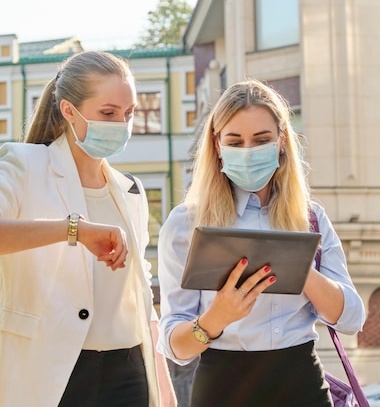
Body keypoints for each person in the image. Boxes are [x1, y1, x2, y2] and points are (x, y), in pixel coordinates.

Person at [0, 51, 175, 407]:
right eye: (108, 113)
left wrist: (163, 386)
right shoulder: (25, 165)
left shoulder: (131, 190)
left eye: (129, 114)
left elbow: (140, 293)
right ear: (69, 110)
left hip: (128, 373)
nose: (122, 124)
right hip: (51, 375)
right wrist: (74, 230)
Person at [157, 79, 366, 407]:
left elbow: (353, 319)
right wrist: (217, 317)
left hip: (301, 385)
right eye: (235, 141)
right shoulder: (186, 224)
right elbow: (176, 348)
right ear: (217, 144)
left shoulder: (310, 219)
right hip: (222, 389)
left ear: (282, 140)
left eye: (261, 139)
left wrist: (297, 266)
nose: (249, 151)